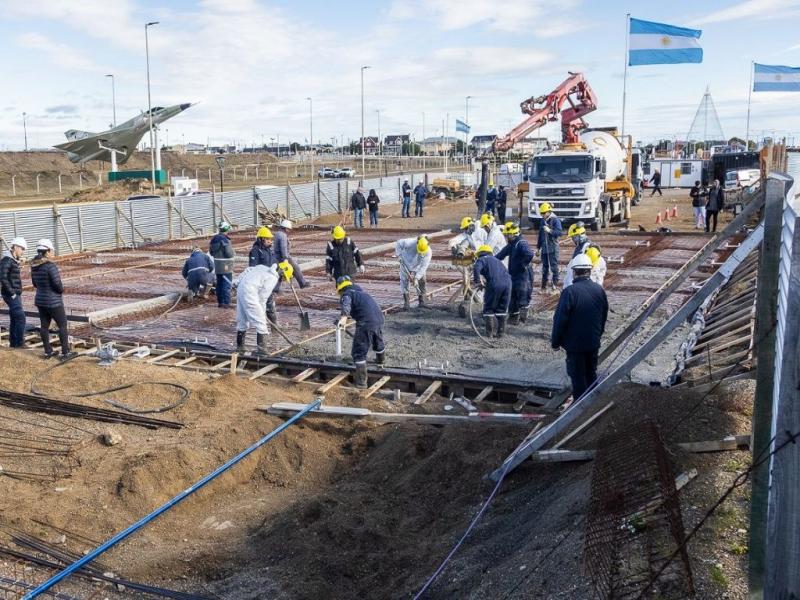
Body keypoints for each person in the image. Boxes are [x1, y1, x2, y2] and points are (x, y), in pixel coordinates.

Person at [551, 254, 609, 400]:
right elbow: (603, 316)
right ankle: (594, 405)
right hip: (593, 343)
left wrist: (555, 342)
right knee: (591, 373)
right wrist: (597, 335)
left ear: (574, 272)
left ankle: (580, 409)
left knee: (577, 378)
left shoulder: (569, 292)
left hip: (575, 346)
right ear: (589, 271)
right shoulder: (599, 290)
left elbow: (559, 320)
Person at [336, 275, 385, 388]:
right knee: (377, 341)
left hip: (366, 322)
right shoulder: (361, 292)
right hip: (378, 318)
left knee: (359, 352)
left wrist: (343, 318)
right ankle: (380, 362)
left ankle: (361, 383)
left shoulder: (347, 294)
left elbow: (346, 304)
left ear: (340, 288)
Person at [30, 239, 74, 360]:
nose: (53, 252)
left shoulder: (34, 265)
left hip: (40, 300)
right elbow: (57, 285)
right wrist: (60, 289)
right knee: (62, 325)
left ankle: (47, 352)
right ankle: (65, 353)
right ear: (47, 251)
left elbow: (35, 284)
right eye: (52, 250)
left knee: (44, 326)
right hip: (53, 302)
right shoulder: (50, 266)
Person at [234, 263, 285, 355]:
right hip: (250, 292)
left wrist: (238, 281)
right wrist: (262, 314)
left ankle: (240, 347)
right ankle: (262, 351)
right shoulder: (273, 278)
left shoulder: (262, 267)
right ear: (282, 274)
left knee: (242, 320)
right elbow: (262, 298)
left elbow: (248, 270)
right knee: (261, 323)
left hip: (241, 288)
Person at [496, 222, 535, 325]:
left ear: (513, 234)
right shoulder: (512, 244)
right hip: (514, 274)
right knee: (512, 295)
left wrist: (523, 264)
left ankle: (523, 320)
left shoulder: (521, 243)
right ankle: (513, 318)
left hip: (523, 275)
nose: (505, 237)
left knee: (522, 295)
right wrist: (489, 260)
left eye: (507, 235)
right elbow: (500, 255)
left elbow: (529, 254)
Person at [472, 244, 512, 338]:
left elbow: (476, 268)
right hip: (508, 283)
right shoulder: (497, 260)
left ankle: (489, 333)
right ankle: (500, 333)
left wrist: (477, 282)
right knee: (501, 308)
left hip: (495, 283)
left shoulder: (481, 259)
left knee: (489, 308)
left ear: (480, 253)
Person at [0, 237, 27, 348]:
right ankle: (20, 343)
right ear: (15, 247)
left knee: (15, 318)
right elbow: (3, 278)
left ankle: (14, 344)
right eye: (21, 248)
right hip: (11, 294)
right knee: (21, 317)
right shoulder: (6, 260)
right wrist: (12, 293)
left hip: (15, 293)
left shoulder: (12, 260)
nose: (23, 251)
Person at [248, 226, 279, 325]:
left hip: (269, 282)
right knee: (267, 304)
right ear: (261, 239)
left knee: (269, 304)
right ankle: (271, 326)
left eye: (271, 239)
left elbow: (274, 263)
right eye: (268, 239)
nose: (270, 241)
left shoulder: (269, 250)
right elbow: (253, 268)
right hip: (261, 282)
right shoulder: (256, 251)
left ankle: (272, 325)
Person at [395, 235, 432, 310]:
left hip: (418, 265)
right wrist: (398, 255)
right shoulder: (409, 242)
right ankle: (407, 303)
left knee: (422, 281)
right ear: (417, 243)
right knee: (404, 281)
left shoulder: (428, 252)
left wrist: (416, 278)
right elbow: (398, 243)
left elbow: (423, 267)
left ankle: (422, 302)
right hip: (405, 262)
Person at [274, 219, 308, 289]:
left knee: (280, 272)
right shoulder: (283, 236)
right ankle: (303, 283)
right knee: (296, 268)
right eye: (289, 229)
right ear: (285, 228)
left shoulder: (277, 233)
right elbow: (283, 248)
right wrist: (285, 258)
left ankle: (276, 288)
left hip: (276, 257)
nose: (289, 231)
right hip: (283, 257)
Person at [537, 202, 563, 291]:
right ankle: (543, 286)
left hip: (553, 248)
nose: (542, 215)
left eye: (543, 213)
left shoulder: (555, 220)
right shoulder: (542, 221)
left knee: (554, 267)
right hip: (544, 248)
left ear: (548, 212)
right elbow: (540, 235)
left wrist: (550, 231)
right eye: (541, 213)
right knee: (544, 268)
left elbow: (560, 232)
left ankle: (554, 286)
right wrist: (538, 248)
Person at [209, 221, 236, 308]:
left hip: (217, 265)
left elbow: (211, 252)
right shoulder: (225, 240)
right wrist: (233, 252)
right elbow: (229, 253)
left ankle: (220, 302)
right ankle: (226, 303)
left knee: (219, 283)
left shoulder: (214, 239)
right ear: (226, 229)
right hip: (226, 265)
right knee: (226, 284)